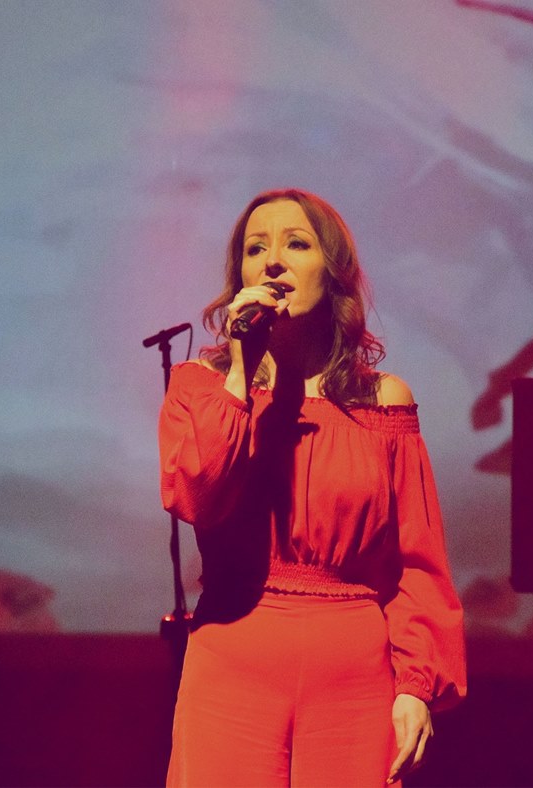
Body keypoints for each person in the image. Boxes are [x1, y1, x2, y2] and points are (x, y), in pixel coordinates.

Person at [158, 188, 466, 786]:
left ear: (334, 271)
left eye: (296, 244)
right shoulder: (200, 386)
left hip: (354, 679)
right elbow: (198, 496)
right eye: (255, 249)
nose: (272, 261)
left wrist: (415, 686)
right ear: (240, 276)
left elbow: (416, 559)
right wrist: (242, 371)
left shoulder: (383, 401)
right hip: (232, 661)